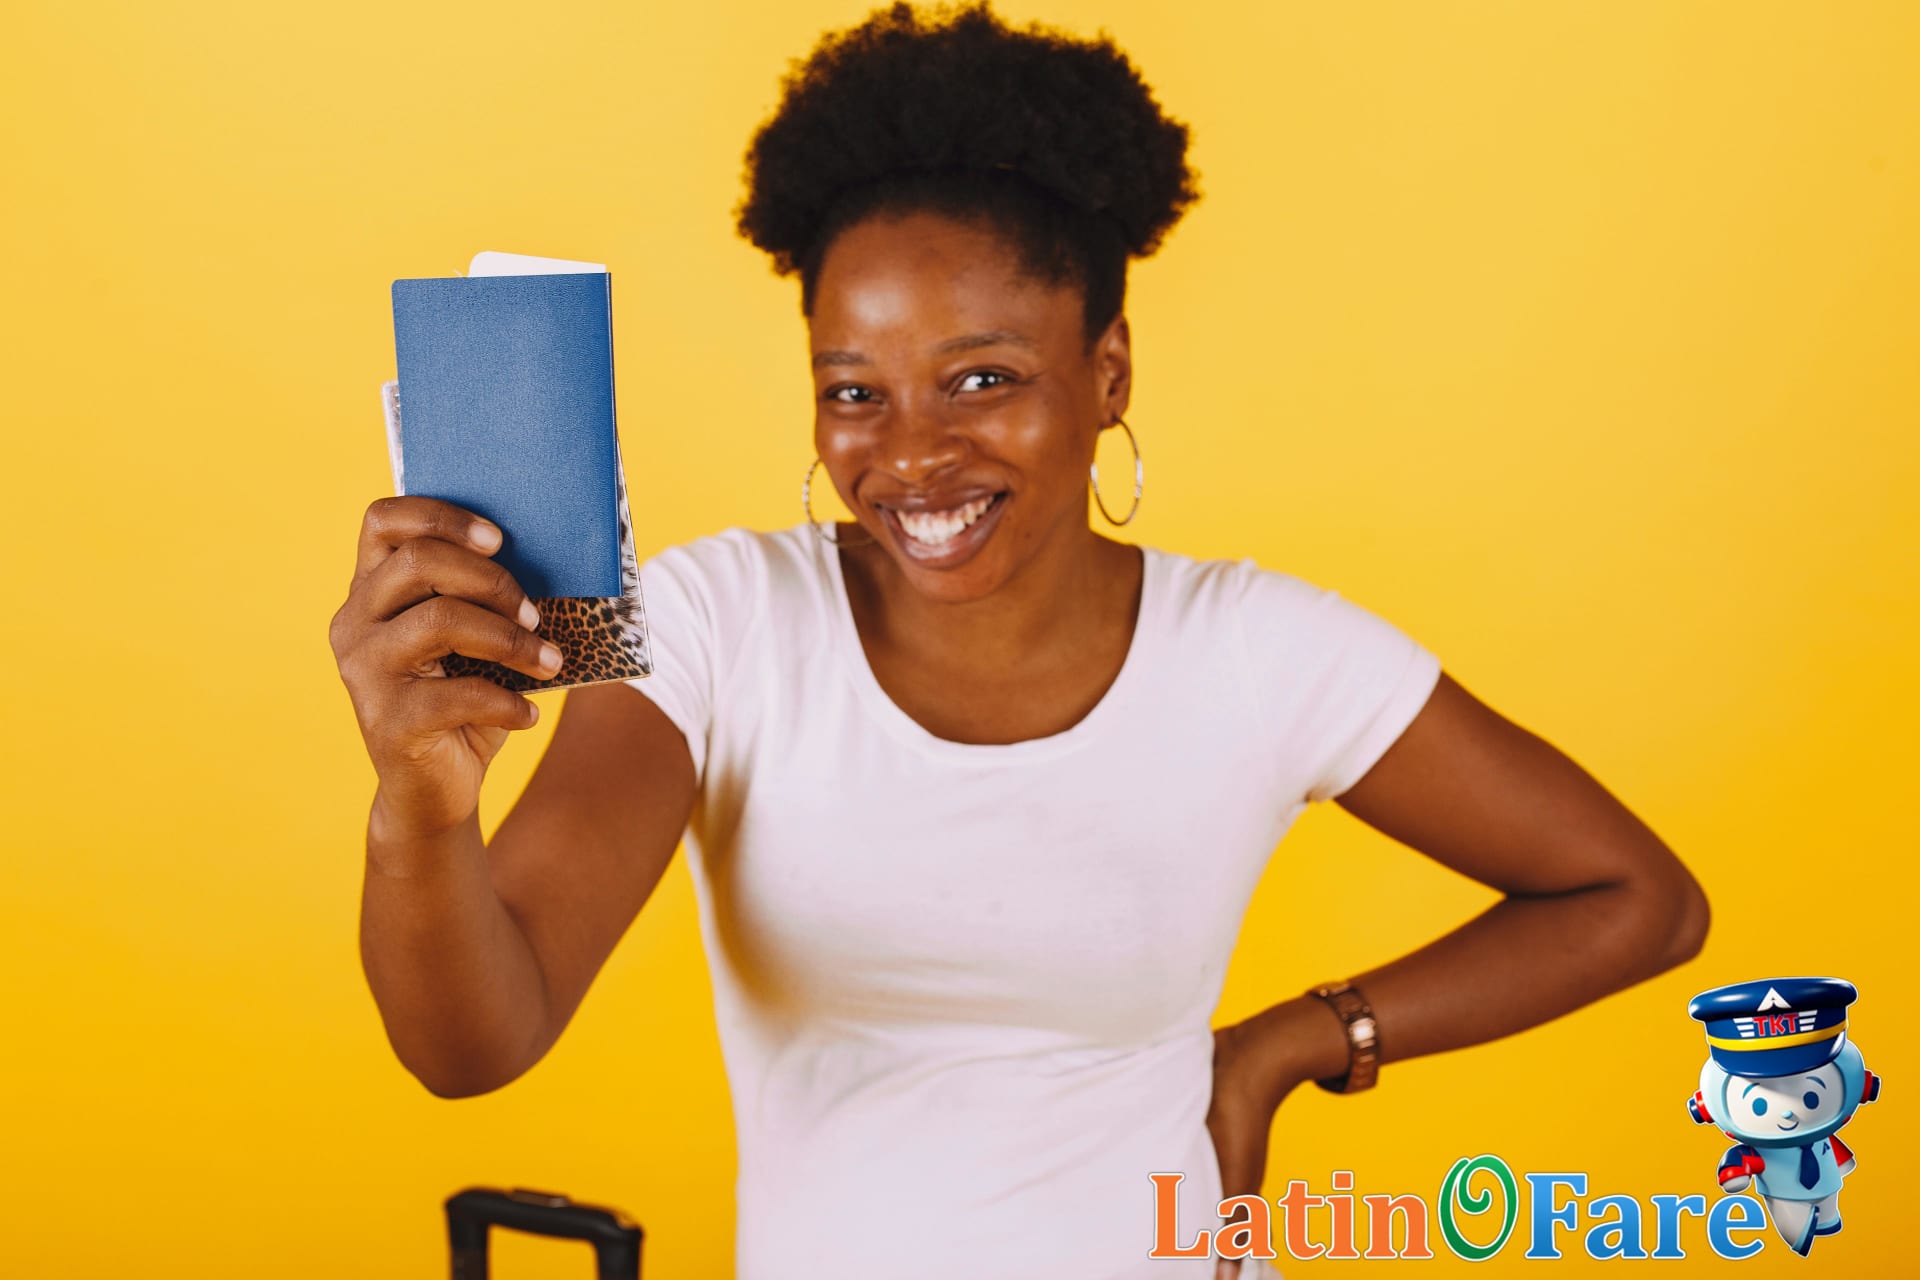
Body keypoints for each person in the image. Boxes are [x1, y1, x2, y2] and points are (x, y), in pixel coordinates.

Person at [330, 3, 1711, 1276]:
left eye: (983, 378)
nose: (915, 456)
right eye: (855, 391)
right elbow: (476, 1045)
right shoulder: (710, 626)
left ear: (1107, 371)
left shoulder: (1259, 652)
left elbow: (1638, 898)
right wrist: (424, 811)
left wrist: (1293, 1045)